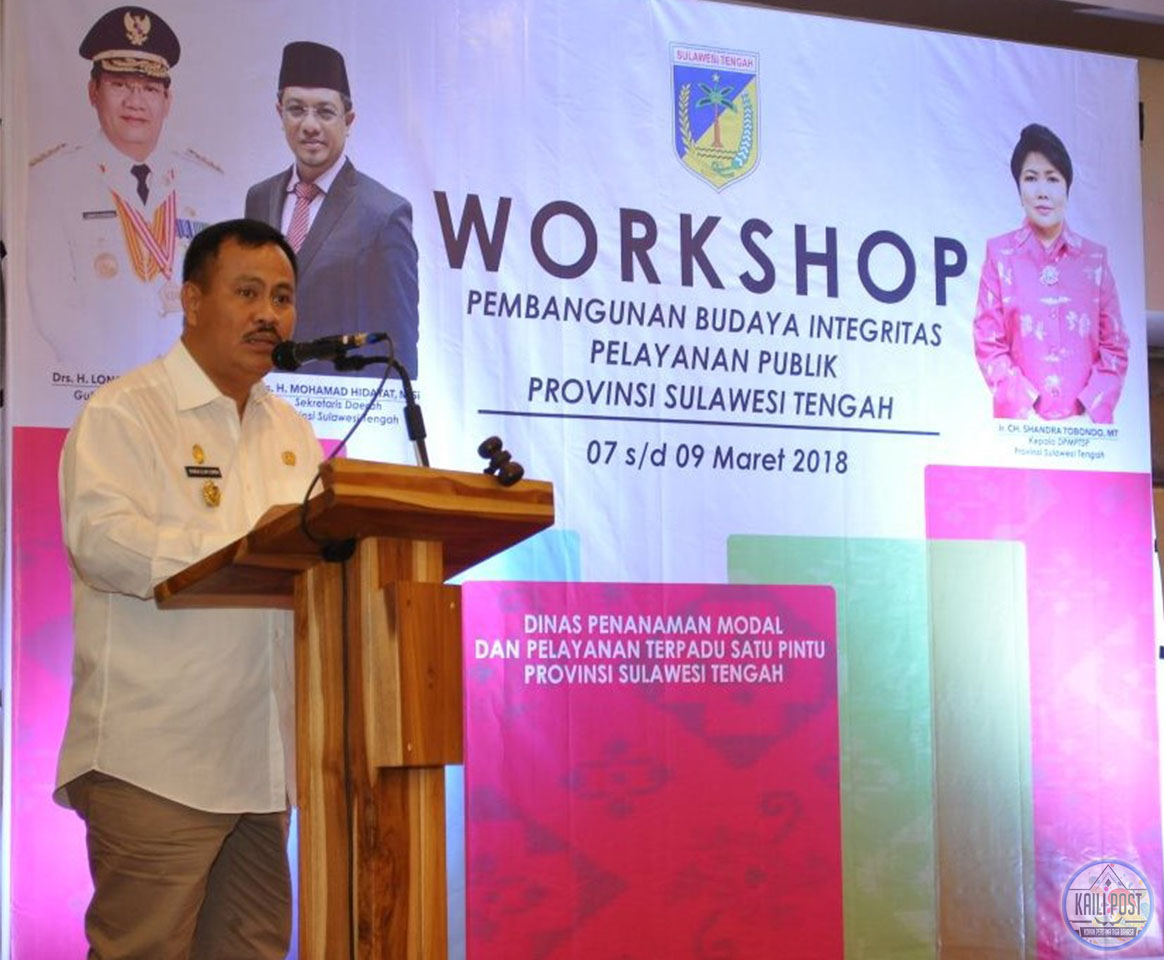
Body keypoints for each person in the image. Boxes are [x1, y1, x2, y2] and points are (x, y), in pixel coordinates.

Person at [56, 219, 322, 958]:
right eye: (248, 293)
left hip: (263, 764)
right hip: (157, 760)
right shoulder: (126, 412)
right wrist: (243, 552)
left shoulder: (293, 431)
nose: (269, 315)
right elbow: (101, 541)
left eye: (282, 298)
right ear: (194, 301)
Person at [27, 5, 228, 374]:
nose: (135, 102)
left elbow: (222, 295)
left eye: (149, 88)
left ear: (167, 101)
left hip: (186, 381)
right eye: (119, 85)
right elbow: (54, 307)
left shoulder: (207, 184)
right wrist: (124, 383)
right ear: (93, 91)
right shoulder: (53, 180)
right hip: (95, 383)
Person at [245, 40, 420, 378]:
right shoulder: (259, 198)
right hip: (266, 397)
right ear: (279, 113)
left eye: (325, 112)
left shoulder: (384, 213)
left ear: (348, 120)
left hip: (341, 402)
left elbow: (398, 345)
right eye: (296, 109)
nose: (310, 125)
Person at [973, 123, 1129, 422]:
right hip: (1021, 430)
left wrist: (1087, 413)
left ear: (1067, 188)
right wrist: (1026, 413)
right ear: (1019, 188)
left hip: (1086, 432)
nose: (1042, 192)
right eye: (1031, 178)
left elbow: (1116, 345)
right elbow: (988, 342)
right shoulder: (1000, 255)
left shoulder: (1094, 260)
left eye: (1053, 179)